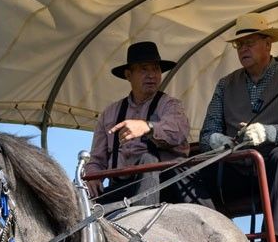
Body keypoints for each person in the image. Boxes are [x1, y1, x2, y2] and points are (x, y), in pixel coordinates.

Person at [200, 12, 278, 242]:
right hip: (239, 165)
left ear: (268, 44)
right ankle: (216, 237)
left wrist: (270, 133)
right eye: (239, 45)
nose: (243, 49)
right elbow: (206, 135)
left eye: (249, 43)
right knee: (189, 175)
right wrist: (216, 140)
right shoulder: (226, 84)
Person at [83, 41, 212, 206]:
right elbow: (97, 160)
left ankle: (142, 216)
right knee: (80, 204)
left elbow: (178, 132)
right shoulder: (109, 114)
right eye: (144, 69)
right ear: (128, 75)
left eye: (156, 69)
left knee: (147, 159)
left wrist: (147, 127)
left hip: (165, 183)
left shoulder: (170, 105)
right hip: (121, 187)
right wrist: (92, 177)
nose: (152, 75)